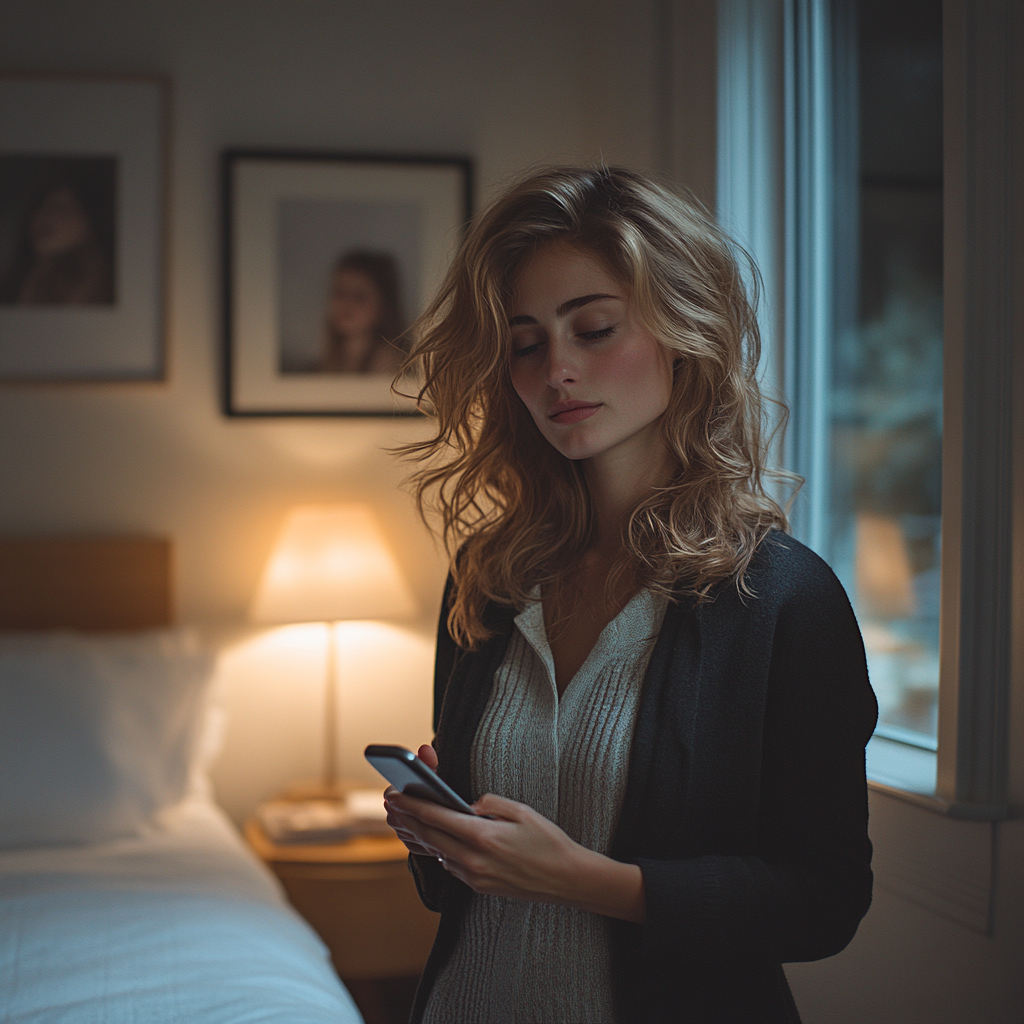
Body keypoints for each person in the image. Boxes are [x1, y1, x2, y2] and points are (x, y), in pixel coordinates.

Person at [383, 166, 876, 1024]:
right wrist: (443, 837)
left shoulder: (782, 599)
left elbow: (823, 901)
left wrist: (586, 882)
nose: (556, 371)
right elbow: (450, 898)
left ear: (686, 333)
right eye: (527, 342)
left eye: (595, 328)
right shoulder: (489, 577)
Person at [0, 167, 115, 306]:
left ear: (92, 221)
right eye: (41, 206)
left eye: (61, 209)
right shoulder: (21, 281)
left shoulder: (105, 287)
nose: (45, 216)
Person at [317, 249, 408, 374]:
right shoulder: (327, 361)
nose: (345, 304)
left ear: (383, 306)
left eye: (359, 297)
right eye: (339, 293)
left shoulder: (387, 363)